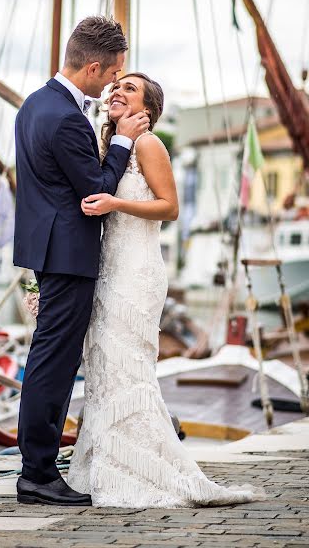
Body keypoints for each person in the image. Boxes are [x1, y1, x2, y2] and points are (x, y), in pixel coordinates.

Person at [67, 72, 264, 508]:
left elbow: (170, 207)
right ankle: (104, 464)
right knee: (104, 369)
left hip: (137, 272)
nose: (117, 91)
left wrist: (116, 202)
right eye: (116, 87)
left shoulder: (148, 144)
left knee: (130, 370)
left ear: (148, 109)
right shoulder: (109, 147)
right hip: (108, 269)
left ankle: (142, 469)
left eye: (129, 88)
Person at [13, 17, 150, 506]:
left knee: (48, 359)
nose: (112, 83)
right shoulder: (67, 118)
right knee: (54, 363)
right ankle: (37, 474)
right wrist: (122, 141)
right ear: (93, 65)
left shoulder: (33, 104)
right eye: (112, 74)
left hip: (49, 250)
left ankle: (38, 466)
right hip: (69, 254)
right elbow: (94, 188)